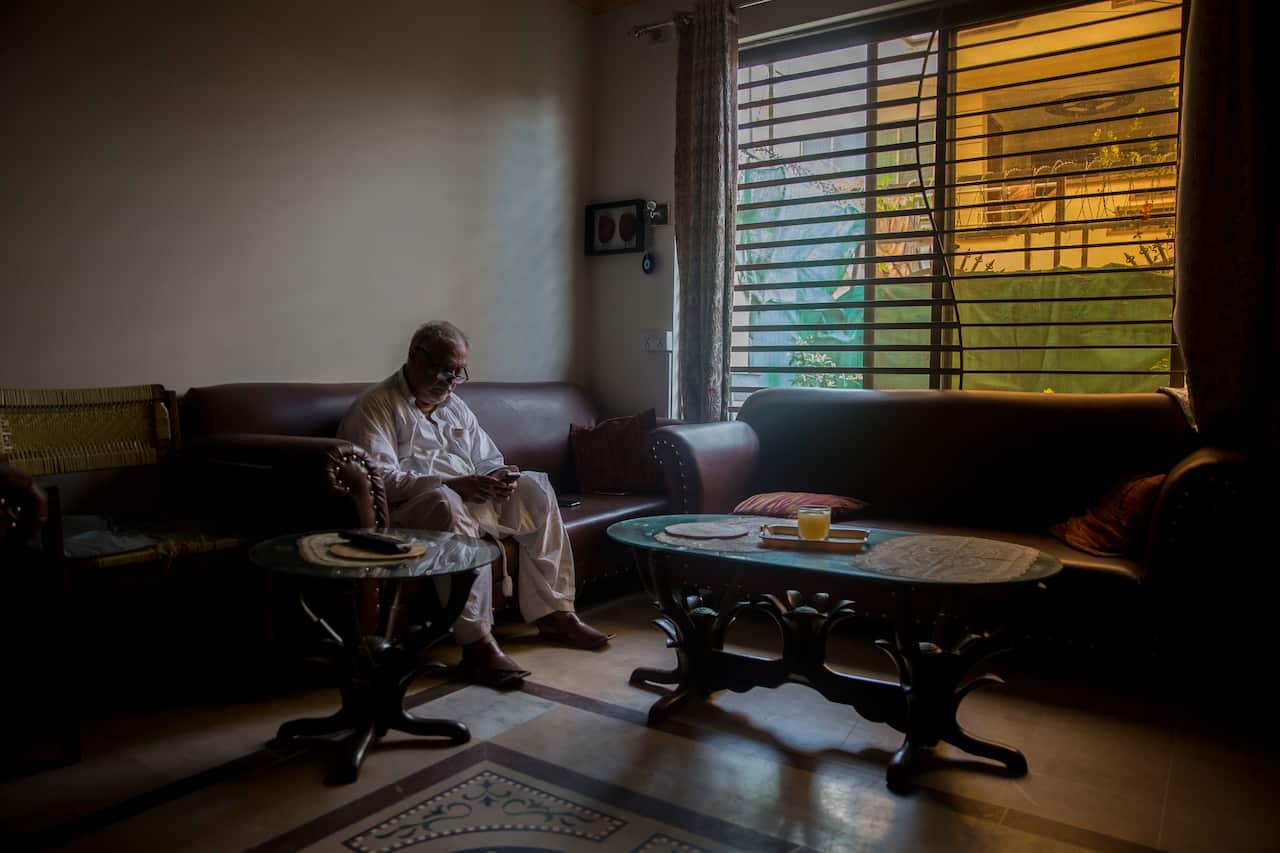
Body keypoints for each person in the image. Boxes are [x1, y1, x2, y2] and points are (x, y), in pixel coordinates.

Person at [337, 321, 613, 687]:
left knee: (534, 487)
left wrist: (498, 476)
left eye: (458, 372)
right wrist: (455, 484)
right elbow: (381, 481)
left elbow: (487, 457)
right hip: (412, 512)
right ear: (415, 359)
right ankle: (477, 645)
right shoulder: (376, 407)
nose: (451, 381)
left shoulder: (454, 407)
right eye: (444, 369)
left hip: (471, 498)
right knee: (445, 500)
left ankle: (554, 614)